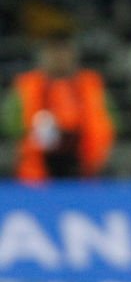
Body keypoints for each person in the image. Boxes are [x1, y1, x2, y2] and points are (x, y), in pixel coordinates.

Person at [2, 29, 116, 182]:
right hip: (36, 174)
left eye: (64, 51)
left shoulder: (91, 85)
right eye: (53, 52)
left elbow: (110, 124)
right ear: (42, 56)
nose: (59, 57)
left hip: (83, 171)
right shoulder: (26, 87)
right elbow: (9, 127)